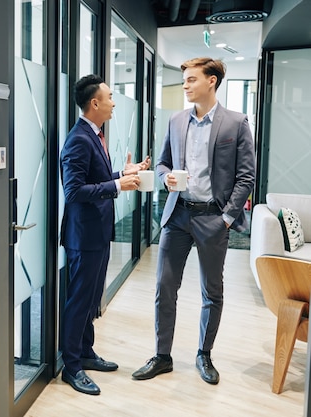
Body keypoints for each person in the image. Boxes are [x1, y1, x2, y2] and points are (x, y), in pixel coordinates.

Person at [132, 57, 255, 385]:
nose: (184, 85)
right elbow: (161, 164)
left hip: (214, 219)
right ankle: (162, 356)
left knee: (211, 291)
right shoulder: (176, 120)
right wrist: (166, 178)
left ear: (211, 81)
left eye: (190, 80)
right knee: (164, 286)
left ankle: (204, 354)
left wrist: (227, 218)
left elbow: (246, 178)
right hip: (178, 215)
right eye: (184, 80)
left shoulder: (236, 123)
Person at [60, 74, 151, 395]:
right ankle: (71, 367)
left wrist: (122, 174)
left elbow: (93, 179)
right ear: (94, 103)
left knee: (89, 300)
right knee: (79, 301)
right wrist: (116, 185)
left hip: (97, 234)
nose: (114, 102)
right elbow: (73, 191)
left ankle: (85, 352)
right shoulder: (78, 139)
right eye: (110, 97)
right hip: (83, 238)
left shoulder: (94, 134)